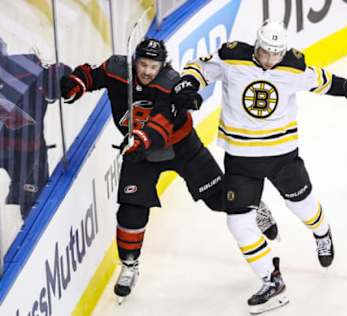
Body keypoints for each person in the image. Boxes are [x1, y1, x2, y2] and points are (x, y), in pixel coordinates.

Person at [173, 20, 347, 314]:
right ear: (257, 45)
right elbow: (199, 70)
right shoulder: (232, 59)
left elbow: (325, 81)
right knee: (237, 223)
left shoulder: (293, 68)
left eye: (275, 54)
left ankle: (322, 233)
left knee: (303, 207)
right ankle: (272, 279)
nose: (269, 60)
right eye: (265, 52)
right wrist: (187, 84)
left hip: (282, 157)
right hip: (241, 161)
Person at [60, 38, 278, 303]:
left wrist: (140, 140)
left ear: (162, 65)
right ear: (134, 61)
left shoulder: (170, 82)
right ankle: (129, 267)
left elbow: (162, 122)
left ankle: (256, 206)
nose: (147, 71)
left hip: (181, 147)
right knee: (131, 210)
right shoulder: (117, 69)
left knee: (219, 199)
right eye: (142, 64)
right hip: (139, 153)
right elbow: (91, 75)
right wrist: (76, 84)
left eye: (153, 66)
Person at [0, 37, 70, 222]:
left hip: (28, 154)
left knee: (32, 207)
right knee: (30, 205)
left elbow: (60, 79)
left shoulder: (25, 68)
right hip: (24, 152)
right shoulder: (24, 67)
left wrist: (58, 73)